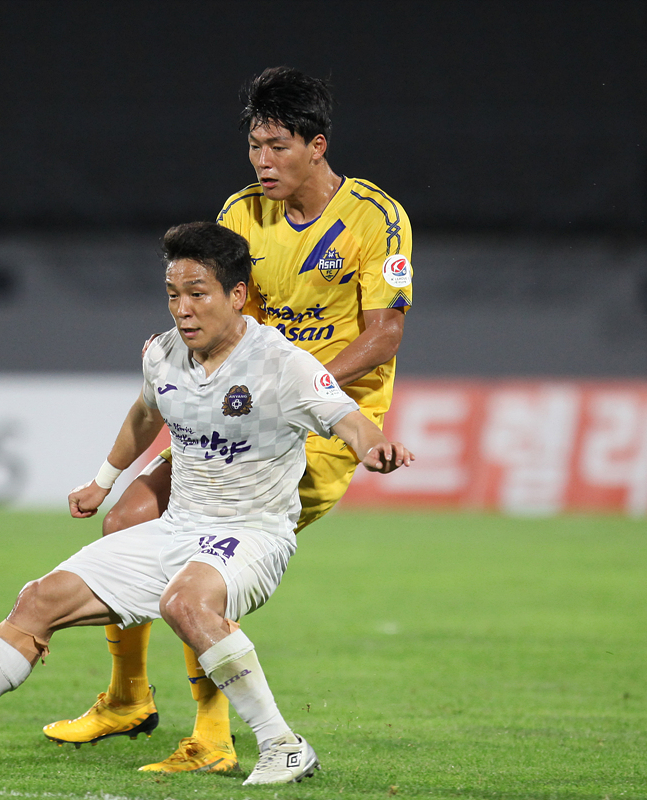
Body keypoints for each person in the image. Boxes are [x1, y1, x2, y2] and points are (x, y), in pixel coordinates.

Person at [0, 222, 413, 786]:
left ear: (237, 295)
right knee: (39, 599)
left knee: (185, 604)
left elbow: (348, 419)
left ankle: (283, 746)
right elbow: (146, 414)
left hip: (252, 534)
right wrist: (104, 480)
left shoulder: (283, 363)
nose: (183, 309)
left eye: (197, 293)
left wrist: (374, 449)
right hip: (176, 529)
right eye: (173, 295)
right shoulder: (164, 354)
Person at [42, 66, 413, 774]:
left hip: (322, 426)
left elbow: (385, 334)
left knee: (209, 557)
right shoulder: (240, 213)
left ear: (317, 145)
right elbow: (224, 319)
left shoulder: (376, 217)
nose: (261, 161)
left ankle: (213, 735)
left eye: (277, 147)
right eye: (254, 146)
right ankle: (127, 698)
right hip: (237, 417)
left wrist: (300, 388)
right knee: (125, 521)